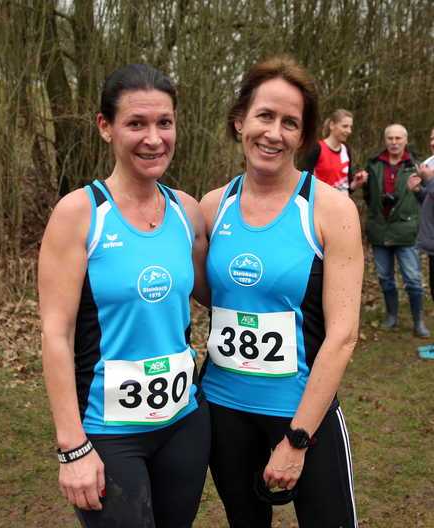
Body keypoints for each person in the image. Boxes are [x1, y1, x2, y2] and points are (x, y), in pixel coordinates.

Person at [38, 64, 211, 528]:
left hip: (184, 424)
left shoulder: (187, 211)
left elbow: (221, 295)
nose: (154, 139)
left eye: (164, 123)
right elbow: (56, 334)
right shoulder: (80, 213)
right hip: (107, 431)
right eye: (136, 123)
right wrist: (72, 447)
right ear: (105, 126)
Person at [199, 56, 363, 527]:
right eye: (264, 116)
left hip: (302, 411)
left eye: (290, 122)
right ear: (240, 121)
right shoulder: (212, 207)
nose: (274, 133)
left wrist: (298, 439)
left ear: (304, 135)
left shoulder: (331, 211)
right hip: (224, 411)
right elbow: (210, 296)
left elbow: (343, 336)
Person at [355, 124, 429, 337]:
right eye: (390, 138)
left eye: (398, 138)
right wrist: (362, 184)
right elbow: (368, 197)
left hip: (406, 231)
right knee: (385, 278)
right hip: (380, 230)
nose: (394, 142)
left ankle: (418, 321)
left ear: (405, 140)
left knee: (413, 279)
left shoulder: (416, 165)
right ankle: (392, 316)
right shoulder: (373, 165)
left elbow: (425, 197)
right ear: (385, 140)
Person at [407, 127, 434, 357]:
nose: (433, 142)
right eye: (432, 138)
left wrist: (430, 180)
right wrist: (418, 190)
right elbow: (429, 199)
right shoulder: (430, 163)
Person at [301, 108, 358, 193]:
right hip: (323, 199)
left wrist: (356, 183)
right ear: (332, 125)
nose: (349, 131)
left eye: (350, 127)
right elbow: (305, 182)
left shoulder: (346, 150)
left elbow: (348, 187)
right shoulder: (317, 148)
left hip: (343, 200)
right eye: (345, 126)